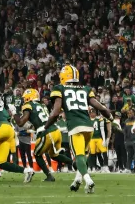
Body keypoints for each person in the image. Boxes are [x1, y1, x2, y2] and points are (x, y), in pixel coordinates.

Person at [46, 64, 113, 193]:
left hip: (75, 127)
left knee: (79, 156)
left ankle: (88, 180)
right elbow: (101, 107)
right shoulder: (86, 89)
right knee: (83, 156)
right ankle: (77, 180)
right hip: (89, 127)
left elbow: (55, 113)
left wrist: (46, 126)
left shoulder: (59, 88)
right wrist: (110, 117)